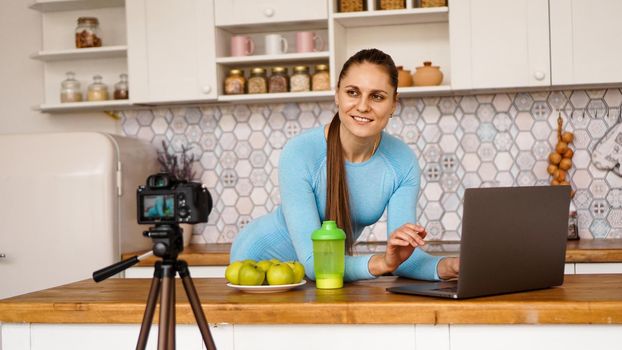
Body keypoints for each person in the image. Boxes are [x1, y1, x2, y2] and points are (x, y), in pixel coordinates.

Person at [231, 48, 459, 281]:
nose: (362, 106)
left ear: (393, 105)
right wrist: (382, 262)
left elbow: (404, 258)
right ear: (337, 95)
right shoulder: (300, 152)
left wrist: (452, 266)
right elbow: (314, 263)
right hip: (259, 263)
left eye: (377, 96)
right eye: (352, 92)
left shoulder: (402, 161)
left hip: (328, 275)